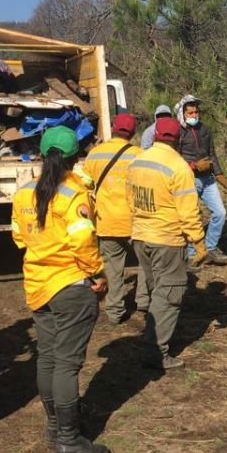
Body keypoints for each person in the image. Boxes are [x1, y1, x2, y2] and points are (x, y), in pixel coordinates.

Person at [11, 126, 110, 453]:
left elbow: (19, 239)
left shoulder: (24, 194)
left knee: (49, 358)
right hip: (70, 285)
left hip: (38, 286)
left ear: (40, 154)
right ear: (73, 157)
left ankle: (55, 428)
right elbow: (83, 240)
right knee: (67, 364)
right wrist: (97, 274)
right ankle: (69, 440)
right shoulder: (74, 195)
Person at [127, 117, 208, 370]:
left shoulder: (137, 160)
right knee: (169, 295)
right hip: (167, 240)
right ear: (178, 138)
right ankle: (155, 351)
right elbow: (188, 212)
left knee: (156, 291)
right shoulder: (179, 167)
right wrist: (199, 241)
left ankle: (153, 335)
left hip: (141, 237)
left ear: (155, 135)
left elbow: (130, 199)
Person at [84, 113, 146, 323]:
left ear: (113, 127)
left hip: (107, 221)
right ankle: (144, 302)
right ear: (134, 132)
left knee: (113, 268)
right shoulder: (140, 155)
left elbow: (85, 186)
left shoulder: (95, 154)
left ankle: (115, 311)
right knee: (145, 263)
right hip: (136, 221)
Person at [174, 94, 227, 265]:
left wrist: (220, 175)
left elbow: (212, 153)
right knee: (191, 216)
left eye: (196, 112)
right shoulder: (178, 132)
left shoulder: (204, 129)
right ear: (182, 114)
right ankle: (192, 253)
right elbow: (174, 158)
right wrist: (193, 166)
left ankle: (211, 247)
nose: (194, 116)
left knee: (220, 213)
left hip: (208, 179)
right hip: (189, 180)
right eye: (190, 113)